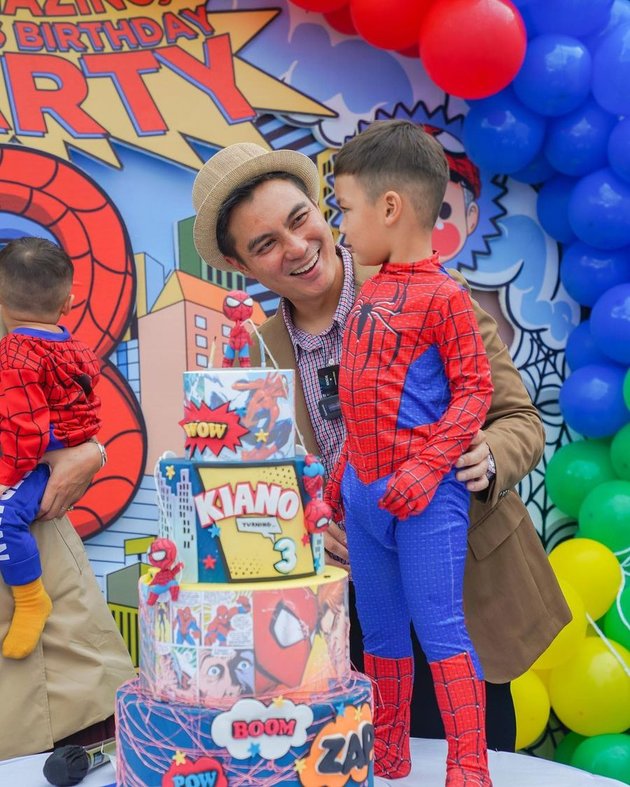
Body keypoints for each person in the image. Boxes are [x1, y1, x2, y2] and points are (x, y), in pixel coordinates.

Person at [191, 140, 571, 754]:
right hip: (343, 618)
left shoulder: (428, 288)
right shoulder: (248, 359)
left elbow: (518, 417)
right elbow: (248, 491)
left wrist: (490, 455)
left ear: (322, 209)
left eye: (299, 220)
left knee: (468, 755)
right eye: (265, 244)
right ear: (242, 266)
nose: (296, 247)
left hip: (460, 578)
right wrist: (302, 530)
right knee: (369, 761)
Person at [321, 120, 496, 781]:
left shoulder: (447, 297)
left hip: (427, 500)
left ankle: (469, 765)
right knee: (385, 636)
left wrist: (426, 467)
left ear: (389, 208)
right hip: (367, 496)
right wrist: (336, 482)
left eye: (344, 208)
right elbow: (358, 404)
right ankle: (388, 750)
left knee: (441, 628)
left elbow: (475, 391)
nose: (342, 227)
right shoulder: (370, 292)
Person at [0, 239, 136, 758]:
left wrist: (90, 452)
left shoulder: (25, 342)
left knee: (87, 722)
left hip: (49, 580)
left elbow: (71, 420)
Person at [0, 237, 102, 660]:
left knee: (6, 519)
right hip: (49, 452)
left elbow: (24, 430)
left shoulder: (15, 354)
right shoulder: (74, 345)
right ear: (69, 303)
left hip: (33, 462)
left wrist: (9, 476)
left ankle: (30, 598)